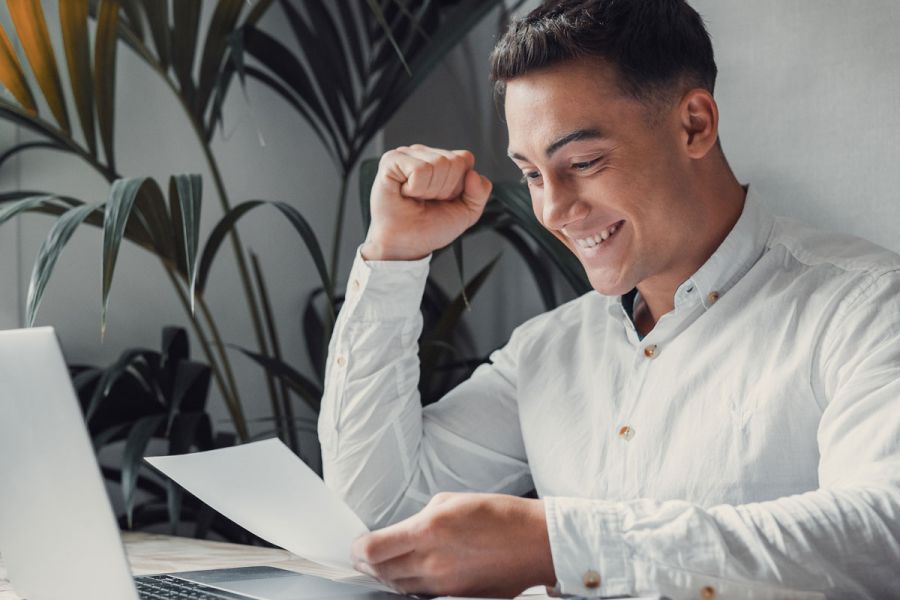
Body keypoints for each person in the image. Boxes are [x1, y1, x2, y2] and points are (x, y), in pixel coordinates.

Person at [317, 1, 900, 598]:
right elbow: (377, 514)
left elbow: (884, 535)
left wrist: (563, 546)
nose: (552, 211)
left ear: (694, 124)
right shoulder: (547, 350)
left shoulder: (868, 308)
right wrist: (392, 256)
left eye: (583, 162)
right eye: (533, 175)